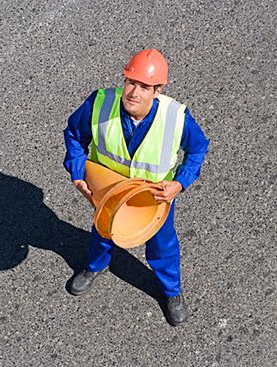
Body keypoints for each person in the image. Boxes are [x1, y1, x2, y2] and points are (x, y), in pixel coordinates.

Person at [63, 49, 209, 326]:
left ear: (158, 89)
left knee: (162, 244)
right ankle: (95, 266)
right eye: (131, 82)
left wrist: (179, 183)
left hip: (153, 198)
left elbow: (198, 148)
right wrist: (79, 171)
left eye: (144, 87)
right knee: (103, 230)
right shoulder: (100, 103)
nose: (134, 93)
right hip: (109, 191)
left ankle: (171, 292)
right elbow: (73, 134)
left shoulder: (176, 117)